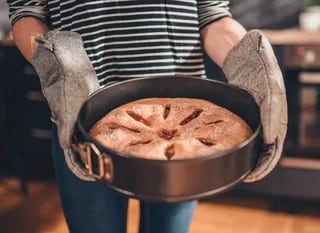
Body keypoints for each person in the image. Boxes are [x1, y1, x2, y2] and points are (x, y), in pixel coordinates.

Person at [7, 1, 287, 233]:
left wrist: (249, 61)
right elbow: (26, 14)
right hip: (79, 115)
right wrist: (58, 64)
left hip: (189, 135)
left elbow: (212, 15)